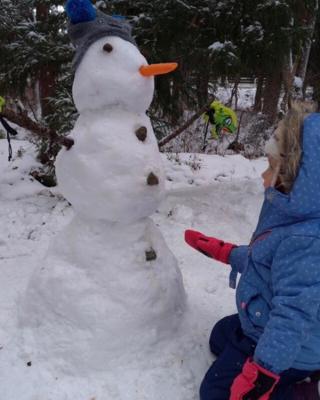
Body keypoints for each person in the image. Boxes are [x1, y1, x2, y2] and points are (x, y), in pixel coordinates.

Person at [185, 102, 320, 400]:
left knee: (217, 392)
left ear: (301, 179)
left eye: (272, 167)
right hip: (265, 321)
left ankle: (300, 388)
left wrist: (261, 376)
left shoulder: (308, 242)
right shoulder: (291, 210)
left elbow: (292, 317)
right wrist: (227, 253)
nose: (263, 176)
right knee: (220, 336)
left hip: (296, 347)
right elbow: (268, 260)